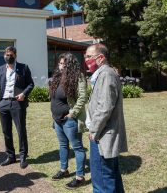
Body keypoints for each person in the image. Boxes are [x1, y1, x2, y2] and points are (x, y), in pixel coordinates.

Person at [85, 43, 128, 193]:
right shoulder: (104, 74)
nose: (86, 60)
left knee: (102, 181)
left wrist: (94, 130)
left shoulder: (106, 75)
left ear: (101, 58)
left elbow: (104, 108)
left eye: (89, 56)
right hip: (103, 134)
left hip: (102, 136)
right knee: (111, 177)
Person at [49, 53, 88, 189]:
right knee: (63, 145)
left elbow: (83, 97)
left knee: (77, 147)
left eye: (64, 65)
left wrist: (72, 114)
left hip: (69, 120)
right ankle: (64, 170)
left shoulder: (78, 77)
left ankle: (79, 177)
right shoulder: (57, 77)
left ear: (70, 65)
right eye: (60, 64)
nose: (61, 67)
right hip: (57, 120)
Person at [0, 46, 34, 169]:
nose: (8, 57)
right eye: (6, 55)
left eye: (10, 55)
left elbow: (31, 84)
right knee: (6, 132)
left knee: (21, 130)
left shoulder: (23, 68)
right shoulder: (0, 70)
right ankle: (10, 156)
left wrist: (24, 94)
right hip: (4, 103)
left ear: (15, 55)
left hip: (18, 103)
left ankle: (22, 157)